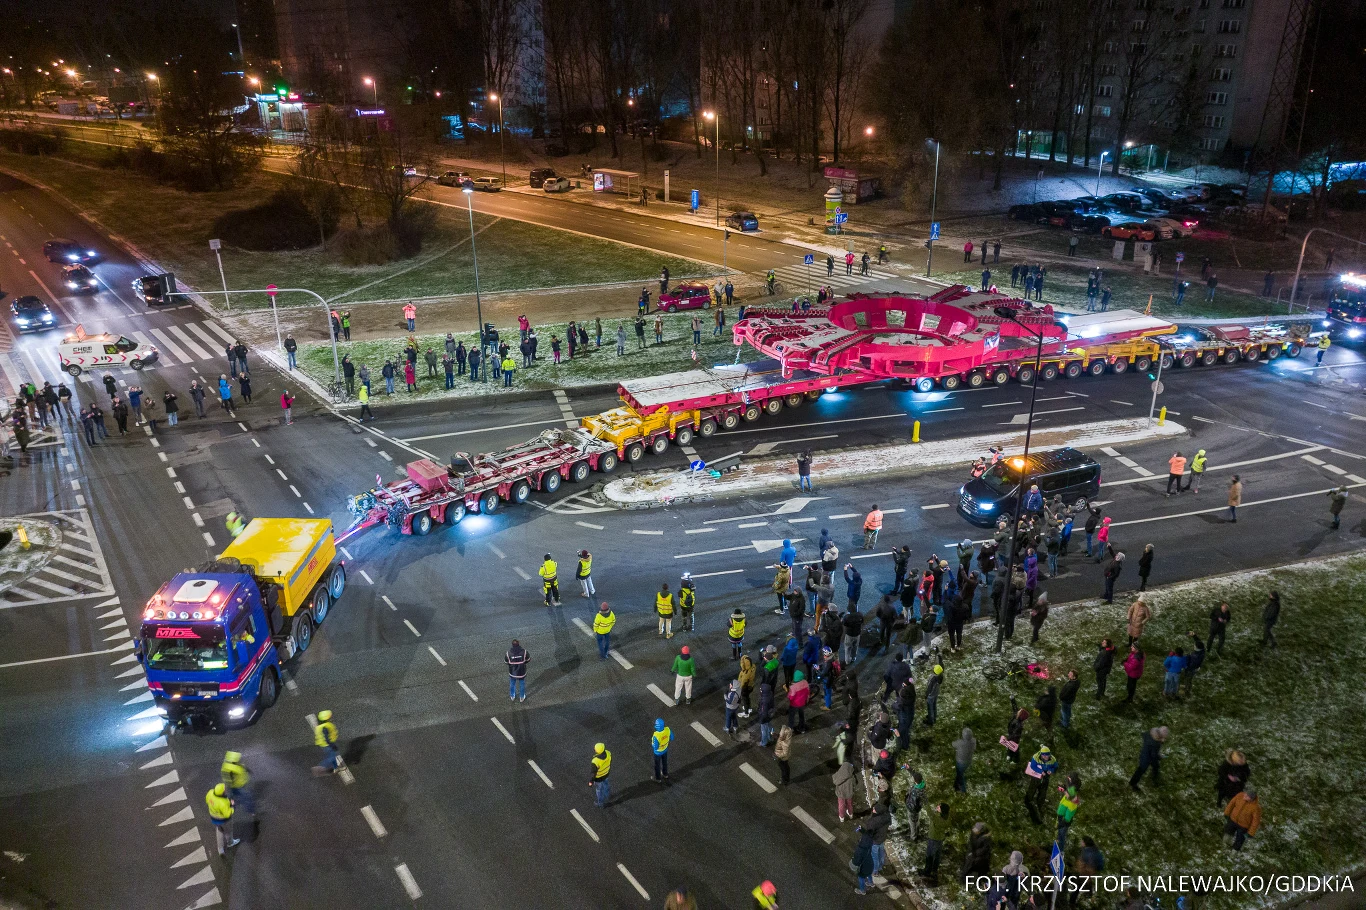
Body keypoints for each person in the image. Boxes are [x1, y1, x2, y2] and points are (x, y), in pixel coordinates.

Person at [1129, 725, 1168, 790]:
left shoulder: (1149, 733)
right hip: (1147, 758)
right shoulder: (1156, 744)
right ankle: (1133, 783)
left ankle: (1154, 778)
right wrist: (1160, 757)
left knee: (1155, 767)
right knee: (1142, 770)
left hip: (1144, 753)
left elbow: (1143, 735)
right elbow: (1154, 755)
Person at [206, 784, 239, 855]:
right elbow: (227, 814)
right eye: (224, 790)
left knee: (219, 831)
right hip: (224, 820)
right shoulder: (223, 803)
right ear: (222, 793)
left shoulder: (210, 793)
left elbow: (207, 801)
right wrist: (233, 806)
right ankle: (230, 843)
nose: (226, 790)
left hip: (214, 818)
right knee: (228, 831)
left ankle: (220, 849)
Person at [312, 709, 343, 774]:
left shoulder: (321, 726)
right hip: (327, 745)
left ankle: (336, 767)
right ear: (326, 720)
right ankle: (320, 767)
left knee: (333, 755)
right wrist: (332, 745)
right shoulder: (325, 727)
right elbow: (327, 739)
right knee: (331, 757)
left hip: (324, 744)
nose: (331, 718)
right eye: (329, 718)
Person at [953, 726, 976, 792]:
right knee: (960, 773)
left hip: (960, 762)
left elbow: (953, 744)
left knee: (960, 775)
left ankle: (963, 790)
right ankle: (955, 785)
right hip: (968, 761)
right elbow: (974, 748)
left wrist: (958, 740)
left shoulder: (960, 742)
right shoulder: (974, 741)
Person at [589, 743, 611, 807]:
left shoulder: (595, 761)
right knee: (606, 785)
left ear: (598, 751)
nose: (594, 749)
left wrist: (591, 781)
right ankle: (608, 796)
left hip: (599, 778)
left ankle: (600, 803)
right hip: (606, 774)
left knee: (599, 790)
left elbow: (593, 773)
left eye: (595, 748)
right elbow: (610, 761)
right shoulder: (608, 753)